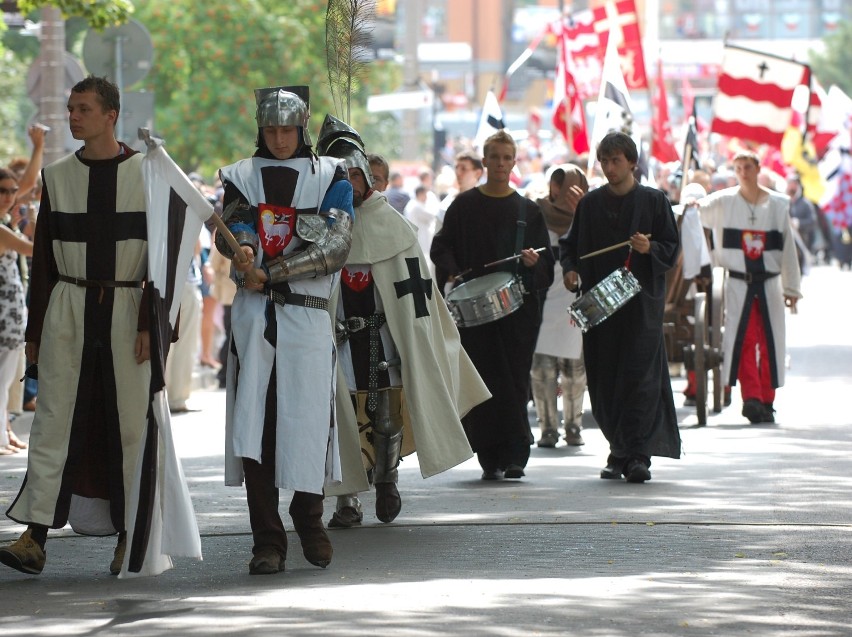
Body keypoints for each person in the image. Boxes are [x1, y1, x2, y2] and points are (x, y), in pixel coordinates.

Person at [1, 75, 200, 576]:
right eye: (70, 108)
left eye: (83, 108)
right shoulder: (60, 175)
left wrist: (149, 322)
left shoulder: (147, 174)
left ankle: (133, 536)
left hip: (126, 311)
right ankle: (35, 536)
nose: (73, 116)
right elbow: (44, 258)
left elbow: (164, 258)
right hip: (69, 308)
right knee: (53, 422)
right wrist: (35, 332)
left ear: (111, 115)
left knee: (128, 425)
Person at [314, 117, 488, 527]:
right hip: (336, 337)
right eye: (340, 174)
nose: (350, 182)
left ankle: (388, 478)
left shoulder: (395, 226)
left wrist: (410, 333)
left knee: (386, 412)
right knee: (339, 415)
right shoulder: (316, 224)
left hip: (381, 335)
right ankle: (346, 499)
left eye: (356, 174)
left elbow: (414, 292)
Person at [215, 86, 353, 576]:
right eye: (270, 129)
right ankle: (266, 539)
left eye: (287, 129)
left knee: (309, 422)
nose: (278, 138)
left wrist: (269, 272)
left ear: (303, 128)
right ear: (261, 129)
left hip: (308, 315)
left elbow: (336, 245)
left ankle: (308, 517)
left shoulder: (332, 175)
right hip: (256, 319)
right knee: (258, 428)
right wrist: (244, 249)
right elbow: (234, 224)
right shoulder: (240, 176)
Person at [431, 129, 554, 481]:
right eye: (494, 157)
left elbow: (548, 262)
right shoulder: (464, 206)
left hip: (518, 314)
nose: (500, 163)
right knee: (482, 378)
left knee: (514, 379)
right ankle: (488, 452)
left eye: (506, 157)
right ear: (484, 161)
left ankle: (516, 453)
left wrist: (534, 264)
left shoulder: (527, 211)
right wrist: (455, 272)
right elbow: (441, 248)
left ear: (514, 162)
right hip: (475, 315)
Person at [560, 132, 681, 483]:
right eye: (605, 161)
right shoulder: (590, 204)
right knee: (604, 377)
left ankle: (638, 455)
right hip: (600, 307)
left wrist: (649, 249)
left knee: (640, 378)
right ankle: (618, 449)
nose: (610, 168)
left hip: (641, 307)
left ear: (632, 162)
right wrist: (570, 271)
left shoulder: (655, 201)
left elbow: (670, 248)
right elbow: (570, 248)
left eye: (617, 160)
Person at [691, 150, 802, 424]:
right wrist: (688, 202)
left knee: (770, 341)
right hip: (739, 282)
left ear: (757, 168)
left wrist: (791, 288)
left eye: (747, 167)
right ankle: (752, 398)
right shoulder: (724, 201)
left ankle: (767, 399)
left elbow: (787, 248)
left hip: (770, 283)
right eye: (738, 167)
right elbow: (696, 210)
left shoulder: (778, 204)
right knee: (744, 338)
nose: (742, 172)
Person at [531, 164, 588, 448]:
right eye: (556, 185)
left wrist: (583, 214)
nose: (558, 191)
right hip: (544, 300)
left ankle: (574, 425)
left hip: (574, 300)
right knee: (541, 369)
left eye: (564, 185)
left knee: (574, 370)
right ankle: (547, 428)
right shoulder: (537, 213)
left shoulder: (588, 215)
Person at [0, 168, 34, 455]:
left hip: (10, 317)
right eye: (3, 191)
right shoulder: (2, 230)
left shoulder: (5, 225)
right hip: (4, 319)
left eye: (12, 191)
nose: (10, 197)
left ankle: (3, 434)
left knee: (5, 378)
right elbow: (33, 249)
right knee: (2, 378)